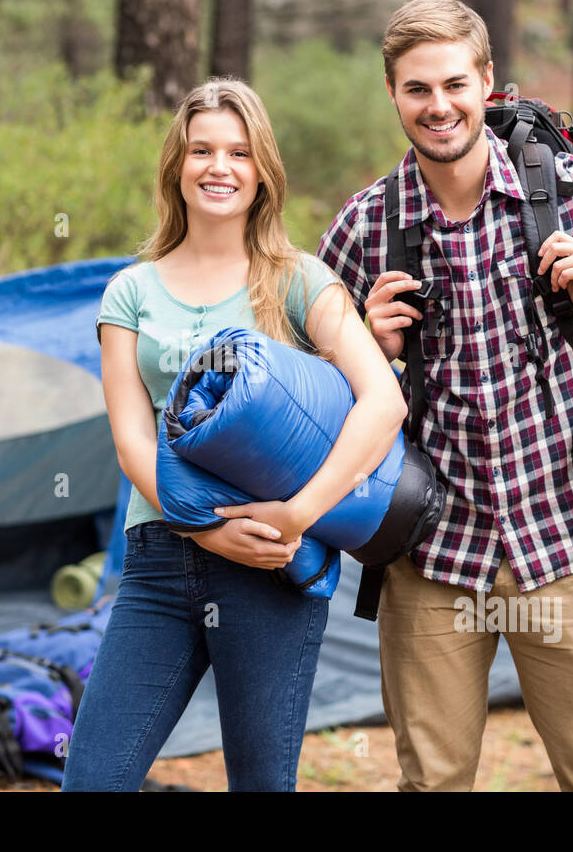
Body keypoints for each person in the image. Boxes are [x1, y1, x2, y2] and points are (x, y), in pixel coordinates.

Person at [316, 0, 573, 791]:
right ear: (392, 92)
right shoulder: (364, 227)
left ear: (487, 82)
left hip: (564, 538)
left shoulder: (569, 195)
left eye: (455, 84)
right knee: (433, 782)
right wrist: (371, 346)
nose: (439, 107)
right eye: (417, 89)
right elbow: (310, 400)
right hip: (430, 552)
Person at [61, 78, 407, 792]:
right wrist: (202, 530)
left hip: (273, 565)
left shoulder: (300, 281)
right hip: (158, 557)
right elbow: (131, 441)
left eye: (239, 153)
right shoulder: (131, 290)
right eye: (202, 151)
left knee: (260, 783)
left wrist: (297, 515)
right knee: (93, 777)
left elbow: (383, 402)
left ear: (262, 173)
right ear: (177, 167)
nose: (219, 167)